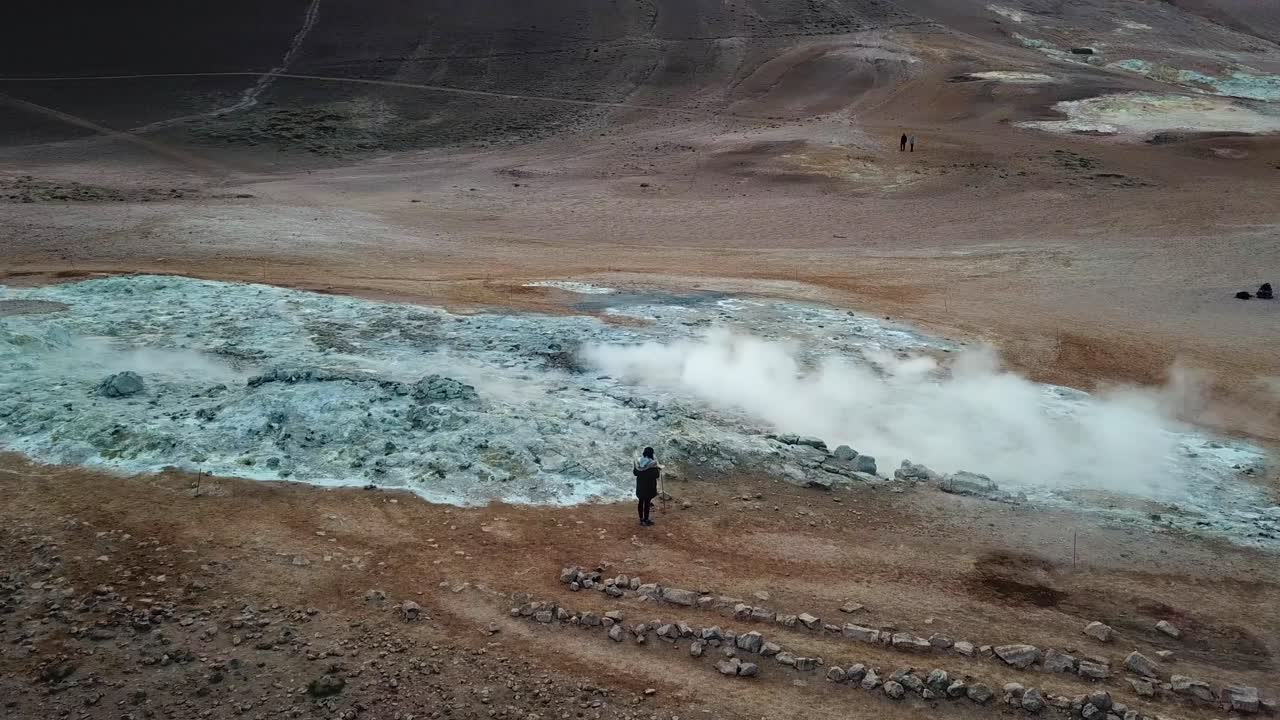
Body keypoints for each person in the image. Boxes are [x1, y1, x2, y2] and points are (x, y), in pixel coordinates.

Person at [632, 447, 661, 526]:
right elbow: (656, 475)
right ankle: (646, 519)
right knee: (647, 503)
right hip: (649, 487)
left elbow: (635, 473)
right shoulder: (653, 464)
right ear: (652, 454)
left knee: (641, 502)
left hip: (640, 486)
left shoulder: (638, 462)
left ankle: (641, 519)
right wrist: (658, 469)